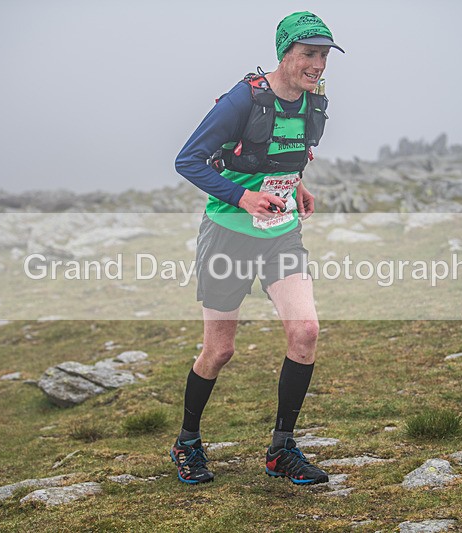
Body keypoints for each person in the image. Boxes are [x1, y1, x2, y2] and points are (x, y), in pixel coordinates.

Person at [170, 11, 344, 485]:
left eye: (324, 56)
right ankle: (187, 441)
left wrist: (298, 185)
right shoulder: (240, 100)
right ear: (285, 53)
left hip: (281, 233)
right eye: (309, 54)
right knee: (219, 351)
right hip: (228, 232)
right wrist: (243, 196)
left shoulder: (314, 101)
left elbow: (285, 152)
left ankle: (281, 450)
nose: (318, 65)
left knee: (305, 332)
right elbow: (188, 161)